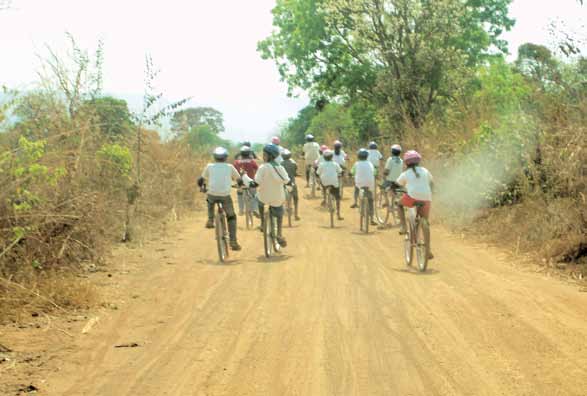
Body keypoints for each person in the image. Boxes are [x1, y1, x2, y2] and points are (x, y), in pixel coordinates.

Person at [197, 147, 242, 251]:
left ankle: (210, 219)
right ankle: (233, 241)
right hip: (225, 195)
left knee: (209, 199)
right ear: (226, 157)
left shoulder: (209, 166)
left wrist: (201, 187)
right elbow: (239, 179)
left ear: (214, 157)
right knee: (231, 217)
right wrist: (239, 185)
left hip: (212, 193)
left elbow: (201, 180)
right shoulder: (230, 167)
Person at [396, 150, 434, 259]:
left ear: (406, 163)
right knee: (425, 221)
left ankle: (403, 226)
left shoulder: (406, 174)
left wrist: (392, 188)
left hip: (411, 198)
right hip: (427, 198)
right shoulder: (425, 171)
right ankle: (428, 250)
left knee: (399, 205)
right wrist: (431, 192)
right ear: (419, 161)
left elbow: (397, 185)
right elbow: (432, 183)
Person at [254, 144, 290, 246]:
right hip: (277, 198)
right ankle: (279, 234)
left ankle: (262, 222)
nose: (263, 156)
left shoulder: (262, 167)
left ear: (269, 156)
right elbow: (286, 180)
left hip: (264, 197)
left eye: (264, 154)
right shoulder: (280, 167)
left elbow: (256, 181)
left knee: (258, 198)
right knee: (279, 213)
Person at [350, 148, 377, 225]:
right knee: (370, 200)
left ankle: (358, 204)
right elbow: (375, 172)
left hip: (359, 184)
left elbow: (352, 172)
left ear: (358, 156)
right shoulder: (370, 163)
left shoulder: (356, 164)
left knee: (357, 188)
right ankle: (372, 218)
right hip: (369, 183)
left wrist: (351, 174)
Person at [317, 149, 344, 220]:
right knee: (337, 197)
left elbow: (318, 173)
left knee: (323, 185)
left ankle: (324, 199)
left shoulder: (321, 164)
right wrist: (340, 174)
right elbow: (340, 171)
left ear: (324, 158)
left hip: (324, 182)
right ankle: (338, 214)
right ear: (332, 157)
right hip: (334, 182)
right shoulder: (335, 164)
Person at [233, 146, 259, 216]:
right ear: (249, 154)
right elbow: (257, 169)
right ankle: (255, 209)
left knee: (239, 194)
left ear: (241, 154)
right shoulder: (252, 161)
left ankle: (241, 210)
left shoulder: (236, 162)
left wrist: (234, 180)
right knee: (254, 195)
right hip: (251, 182)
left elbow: (233, 172)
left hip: (240, 183)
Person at [281, 149, 301, 221]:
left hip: (283, 184)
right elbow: (295, 173)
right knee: (296, 198)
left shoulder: (280, 164)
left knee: (279, 199)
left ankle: (280, 212)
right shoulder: (293, 163)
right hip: (292, 183)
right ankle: (296, 214)